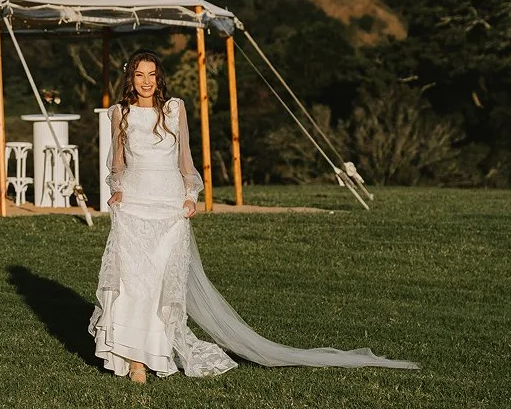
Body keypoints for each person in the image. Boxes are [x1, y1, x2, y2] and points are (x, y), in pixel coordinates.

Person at [89, 51, 417, 382]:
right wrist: (116, 188)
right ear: (130, 78)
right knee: (133, 282)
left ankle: (154, 350)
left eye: (152, 74)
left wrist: (191, 195)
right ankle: (135, 361)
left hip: (169, 204)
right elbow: (117, 160)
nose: (146, 82)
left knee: (160, 284)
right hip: (134, 204)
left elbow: (185, 156)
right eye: (139, 75)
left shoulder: (174, 109)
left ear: (160, 78)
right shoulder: (120, 113)